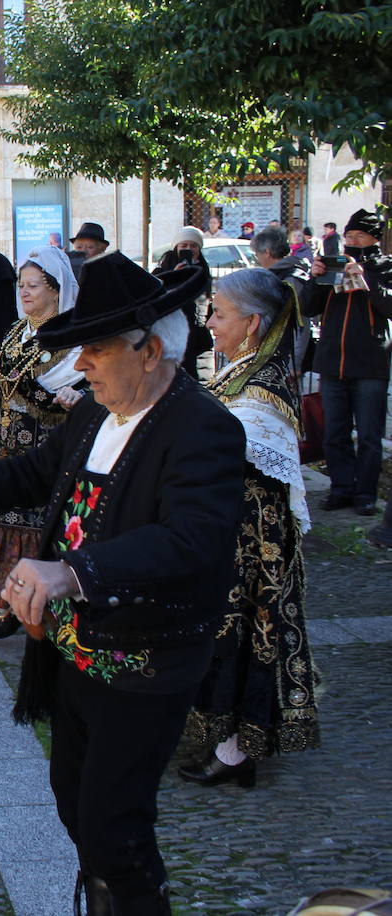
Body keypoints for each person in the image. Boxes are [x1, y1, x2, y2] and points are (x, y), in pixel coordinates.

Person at [0, 252, 246, 916]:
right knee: (73, 800)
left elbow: (194, 537)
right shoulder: (92, 414)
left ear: (148, 351)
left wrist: (74, 569)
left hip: (145, 660)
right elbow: (36, 470)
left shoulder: (203, 428)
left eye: (95, 347)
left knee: (116, 824)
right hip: (74, 650)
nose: (81, 363)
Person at [179, 268, 320, 787]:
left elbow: (241, 451)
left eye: (219, 313)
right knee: (225, 630)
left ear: (253, 323)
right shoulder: (242, 369)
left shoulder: (264, 384)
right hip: (231, 528)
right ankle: (229, 741)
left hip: (251, 537)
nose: (209, 322)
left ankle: (238, 750)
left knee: (243, 632)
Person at [0, 246, 86, 640]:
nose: (23, 292)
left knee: (37, 529)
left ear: (55, 290)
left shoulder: (71, 339)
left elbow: (72, 397)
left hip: (43, 449)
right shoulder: (17, 331)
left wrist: (43, 393)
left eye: (33, 286)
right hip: (5, 441)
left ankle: (45, 609)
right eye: (21, 285)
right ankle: (10, 606)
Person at [304, 209, 392, 515]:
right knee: (334, 432)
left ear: (373, 239)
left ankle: (365, 493)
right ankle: (340, 488)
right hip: (332, 363)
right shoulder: (333, 266)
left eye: (359, 237)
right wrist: (315, 279)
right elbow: (306, 307)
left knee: (369, 435)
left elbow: (389, 305)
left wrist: (364, 276)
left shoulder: (385, 267)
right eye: (349, 236)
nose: (352, 242)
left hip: (370, 365)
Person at [152, 226, 213, 379]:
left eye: (193, 246)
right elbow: (156, 298)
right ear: (176, 248)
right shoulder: (161, 273)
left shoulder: (203, 272)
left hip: (196, 338)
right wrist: (175, 276)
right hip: (169, 335)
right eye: (184, 246)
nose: (189, 249)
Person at [250, 225, 313, 369]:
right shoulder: (271, 276)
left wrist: (294, 366)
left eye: (257, 254)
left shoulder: (291, 280)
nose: (257, 259)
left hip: (285, 359)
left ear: (267, 252)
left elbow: (302, 325)